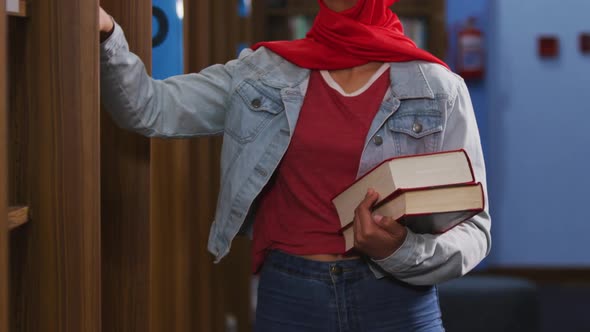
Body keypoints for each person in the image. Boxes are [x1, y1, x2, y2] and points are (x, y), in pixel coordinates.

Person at [99, 0, 491, 331]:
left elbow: (475, 229)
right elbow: (149, 109)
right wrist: (107, 34)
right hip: (292, 296)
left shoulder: (438, 87)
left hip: (397, 300)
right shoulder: (264, 71)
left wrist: (400, 250)